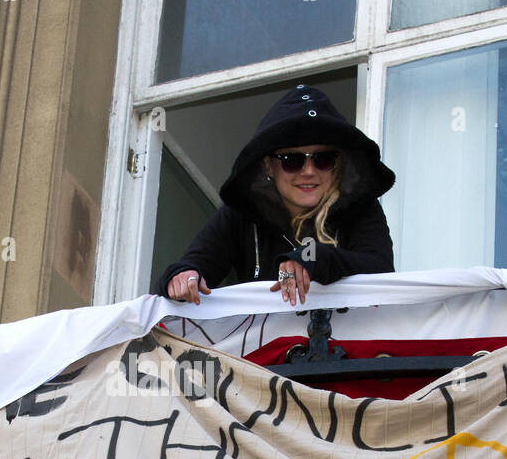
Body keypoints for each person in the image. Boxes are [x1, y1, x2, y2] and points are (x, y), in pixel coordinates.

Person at [153, 83, 396, 307]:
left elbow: (381, 272)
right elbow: (195, 263)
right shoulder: (239, 216)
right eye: (292, 160)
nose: (309, 171)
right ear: (269, 166)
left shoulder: (361, 208)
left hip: (343, 349)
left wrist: (311, 258)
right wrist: (183, 276)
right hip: (258, 353)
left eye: (323, 159)